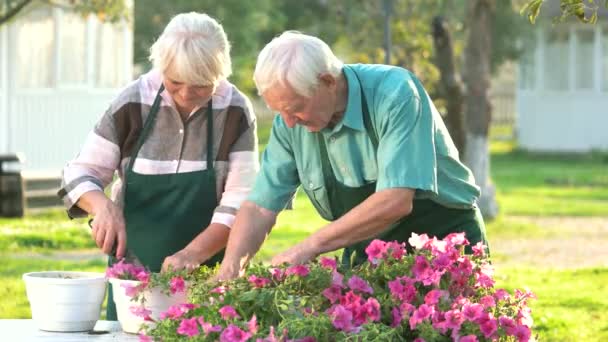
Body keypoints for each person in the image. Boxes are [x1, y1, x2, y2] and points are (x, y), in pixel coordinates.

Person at [215, 31, 488, 280]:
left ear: (328, 82)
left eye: (295, 108)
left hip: (443, 247)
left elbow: (395, 201)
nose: (287, 122)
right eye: (279, 112)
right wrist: (230, 268)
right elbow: (259, 207)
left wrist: (310, 246)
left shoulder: (395, 93)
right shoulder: (290, 125)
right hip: (369, 256)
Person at [58, 12, 258, 319]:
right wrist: (102, 207)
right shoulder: (133, 101)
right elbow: (79, 172)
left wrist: (192, 254)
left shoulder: (235, 110)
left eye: (201, 86)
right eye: (175, 81)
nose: (186, 95)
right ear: (161, 66)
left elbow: (240, 204)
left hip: (208, 280)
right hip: (133, 283)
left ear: (219, 73)